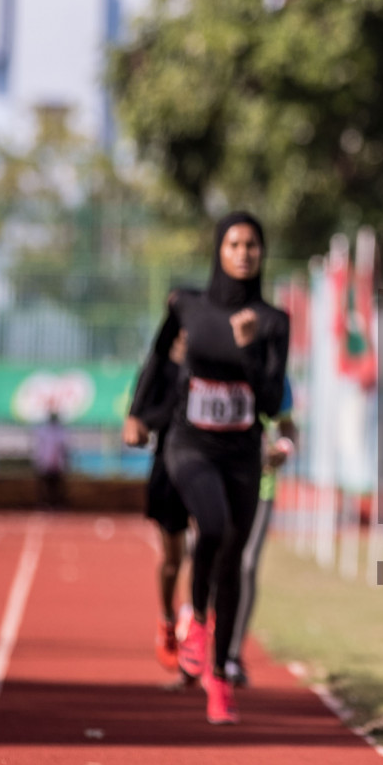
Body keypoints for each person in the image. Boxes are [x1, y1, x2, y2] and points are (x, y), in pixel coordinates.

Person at [128, 211, 289, 725]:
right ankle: (195, 620)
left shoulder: (272, 320)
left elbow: (268, 399)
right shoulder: (186, 304)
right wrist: (137, 413)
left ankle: (219, 677)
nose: (244, 253)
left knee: (233, 559)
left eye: (253, 246)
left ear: (261, 255)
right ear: (219, 249)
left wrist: (247, 349)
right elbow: (157, 358)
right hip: (188, 443)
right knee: (211, 528)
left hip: (241, 451)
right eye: (235, 243)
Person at [125, 329, 193, 673]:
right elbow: (140, 421)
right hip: (167, 467)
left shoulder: (210, 365)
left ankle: (192, 622)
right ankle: (167, 617)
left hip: (206, 464)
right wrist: (138, 423)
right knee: (173, 559)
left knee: (204, 547)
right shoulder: (157, 370)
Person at [224, 377, 299, 688]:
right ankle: (202, 626)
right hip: (220, 479)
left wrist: (284, 447)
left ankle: (232, 653)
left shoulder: (275, 375)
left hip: (262, 484)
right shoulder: (217, 363)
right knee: (216, 560)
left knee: (248, 564)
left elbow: (287, 426)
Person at [32, 410, 71, 509]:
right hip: (46, 462)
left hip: (57, 463)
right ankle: (44, 504)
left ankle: (56, 504)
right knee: (44, 485)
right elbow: (39, 448)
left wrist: (64, 461)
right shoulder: (43, 431)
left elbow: (64, 448)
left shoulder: (61, 431)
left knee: (57, 486)